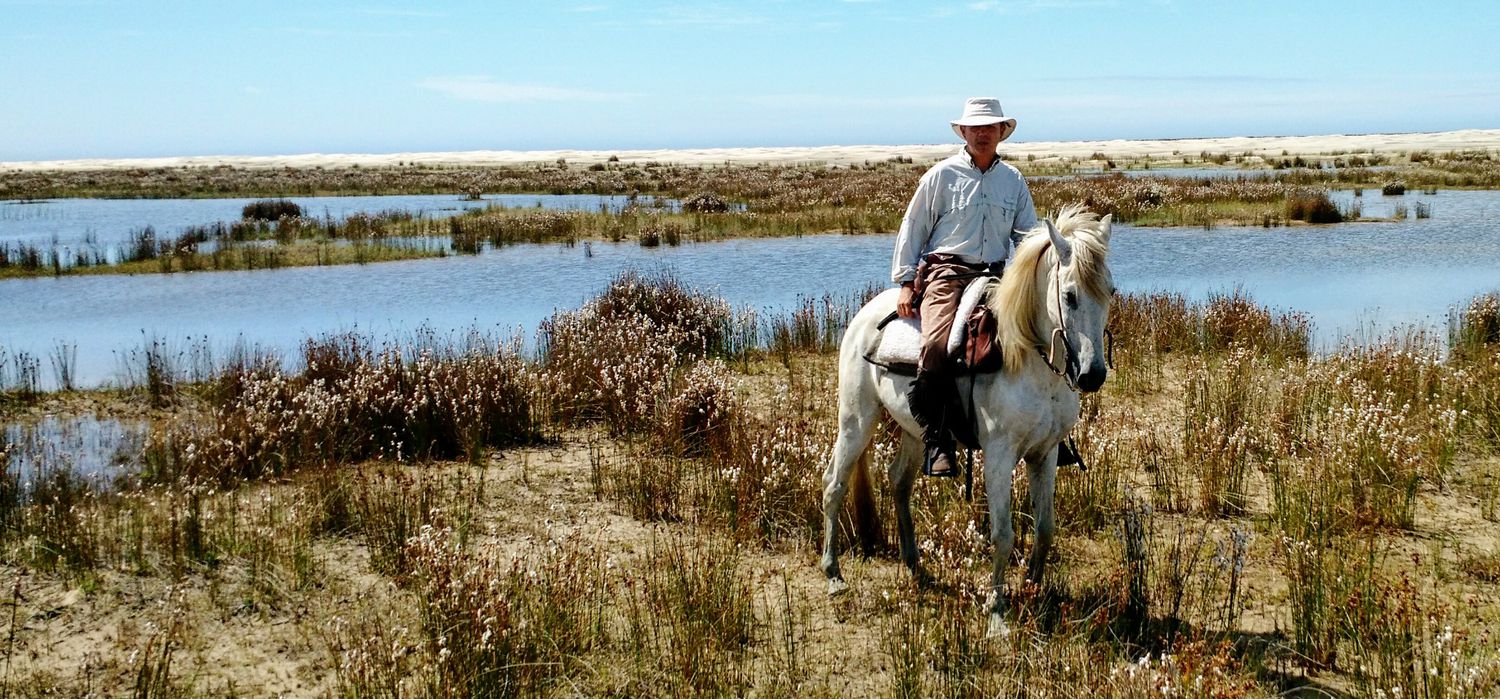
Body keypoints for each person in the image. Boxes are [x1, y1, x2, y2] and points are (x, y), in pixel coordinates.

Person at [891, 97, 1038, 478]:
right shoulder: (940, 176)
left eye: (991, 127)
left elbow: (1029, 237)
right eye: (976, 128)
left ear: (1002, 132)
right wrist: (907, 282)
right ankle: (937, 438)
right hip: (946, 273)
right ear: (965, 133)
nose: (984, 133)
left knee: (1036, 338)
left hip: (996, 275)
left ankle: (1047, 431)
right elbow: (914, 227)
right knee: (937, 345)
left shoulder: (1014, 181)